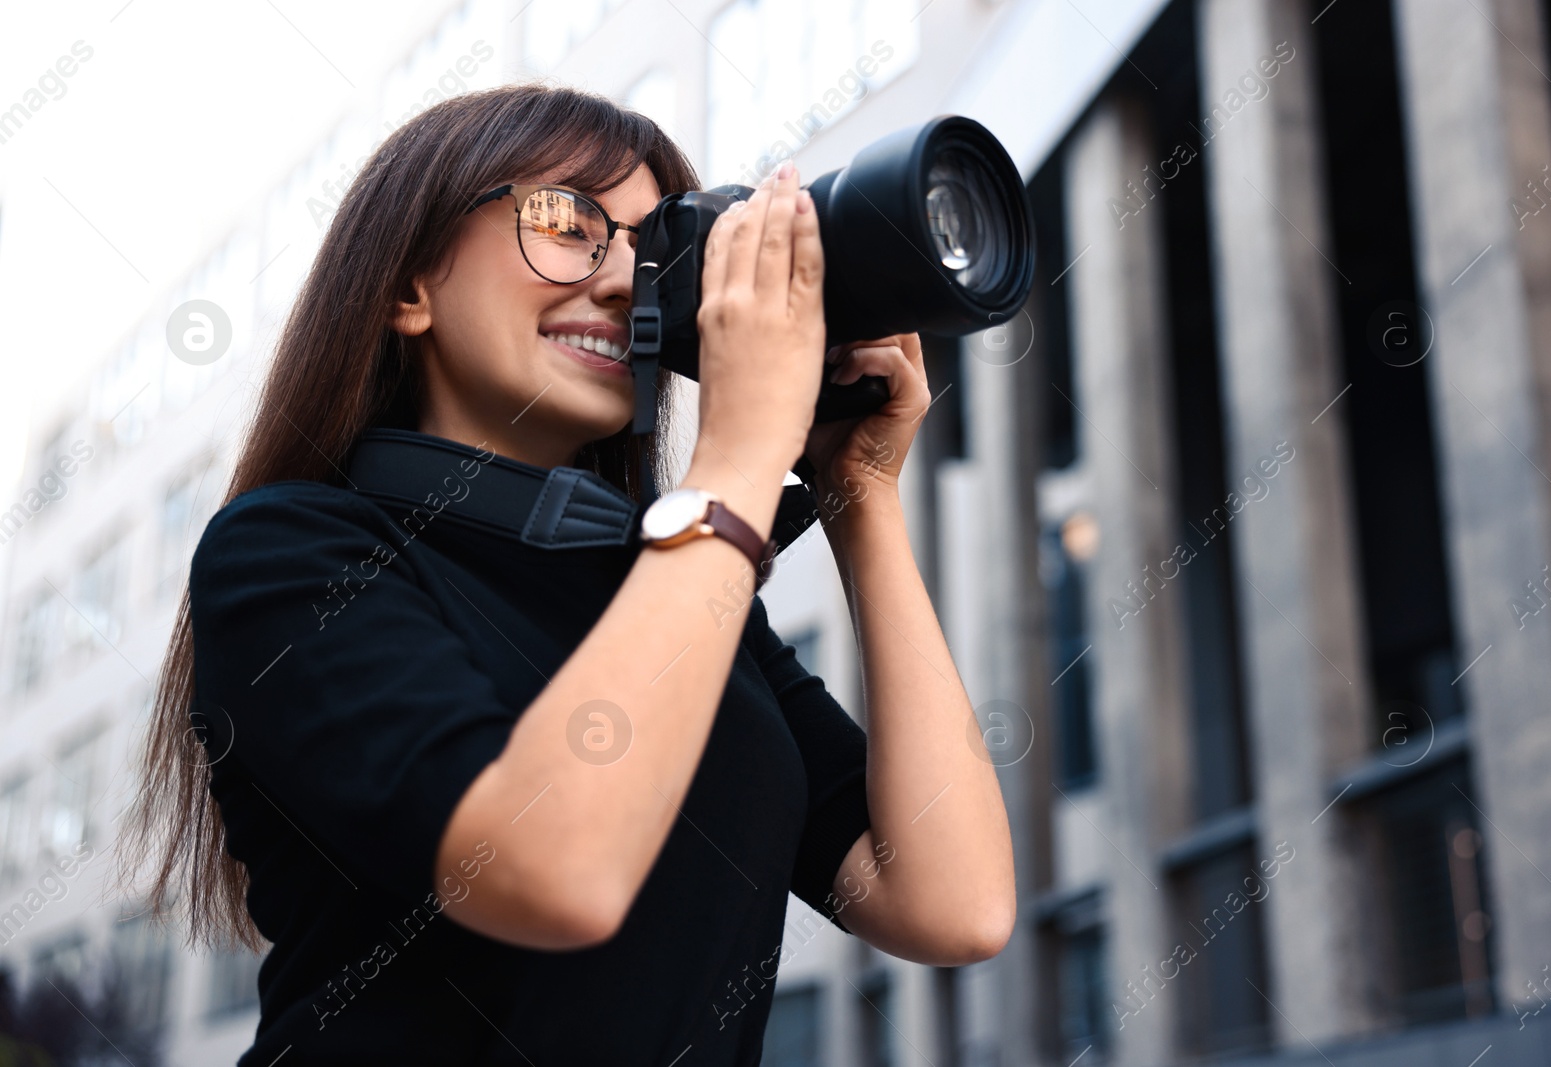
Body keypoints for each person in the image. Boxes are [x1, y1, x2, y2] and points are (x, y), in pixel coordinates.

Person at [118, 83, 1015, 1065]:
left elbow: (951, 903)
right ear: (408, 289)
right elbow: (555, 868)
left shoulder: (680, 587)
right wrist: (741, 456)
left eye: (651, 244)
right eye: (563, 220)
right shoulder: (287, 551)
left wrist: (861, 487)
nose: (625, 279)